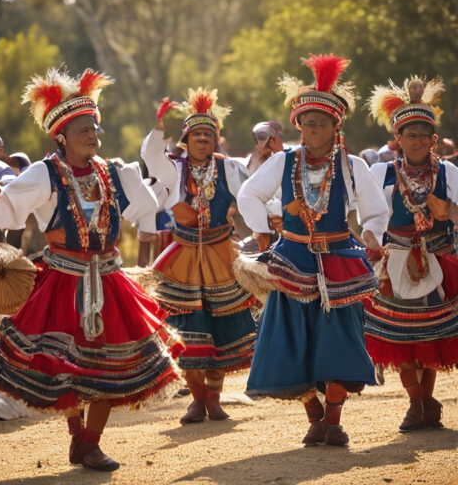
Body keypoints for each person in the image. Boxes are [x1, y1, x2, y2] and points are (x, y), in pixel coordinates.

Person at [0, 67, 183, 471]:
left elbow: (146, 206)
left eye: (94, 129)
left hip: (109, 279)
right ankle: (78, 437)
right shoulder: (44, 173)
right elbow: (8, 211)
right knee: (66, 369)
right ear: (61, 137)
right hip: (61, 279)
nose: (92, 137)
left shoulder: (114, 172)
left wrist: (164, 178)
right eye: (83, 132)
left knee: (109, 366)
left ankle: (91, 442)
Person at [237, 54, 389, 446]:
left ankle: (334, 421)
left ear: (335, 126)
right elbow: (249, 193)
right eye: (308, 123)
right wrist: (263, 228)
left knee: (339, 341)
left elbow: (376, 212)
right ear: (298, 126)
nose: (314, 128)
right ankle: (315, 418)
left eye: (322, 122)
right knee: (293, 340)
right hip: (293, 260)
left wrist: (372, 233)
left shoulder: (352, 164)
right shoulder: (283, 163)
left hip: (340, 258)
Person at [141, 89, 258, 424]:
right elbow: (150, 157)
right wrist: (159, 129)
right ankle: (196, 401)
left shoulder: (230, 169)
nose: (203, 139)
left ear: (217, 141)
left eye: (209, 134)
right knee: (189, 332)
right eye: (196, 135)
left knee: (221, 330)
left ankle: (214, 399)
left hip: (222, 254)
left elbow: (253, 196)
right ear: (186, 140)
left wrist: (265, 223)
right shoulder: (172, 168)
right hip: (184, 256)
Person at [365, 76, 458, 432]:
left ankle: (422, 405)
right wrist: (373, 241)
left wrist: (446, 210)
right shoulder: (381, 172)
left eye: (424, 134)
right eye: (410, 134)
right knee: (398, 338)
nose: (417, 141)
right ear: (398, 140)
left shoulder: (449, 173)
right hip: (396, 260)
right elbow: (369, 218)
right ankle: (419, 402)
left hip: (441, 260)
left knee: (431, 338)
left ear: (434, 140)